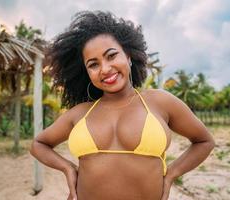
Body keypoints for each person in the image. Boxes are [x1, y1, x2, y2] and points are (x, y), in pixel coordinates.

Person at [30, 11, 215, 200]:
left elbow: (204, 141)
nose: (105, 69)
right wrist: (67, 168)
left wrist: (171, 176)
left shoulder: (160, 102)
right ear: (86, 72)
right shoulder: (80, 114)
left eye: (111, 56)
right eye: (93, 64)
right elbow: (38, 144)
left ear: (128, 56)